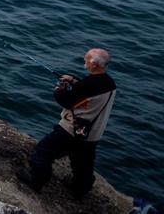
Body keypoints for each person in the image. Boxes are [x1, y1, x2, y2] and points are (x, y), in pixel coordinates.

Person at [19, 48, 116, 198]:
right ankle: (80, 189)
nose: (84, 63)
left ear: (95, 65)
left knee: (43, 151)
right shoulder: (109, 83)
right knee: (82, 164)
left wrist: (59, 89)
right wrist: (74, 80)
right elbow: (88, 93)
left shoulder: (88, 85)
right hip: (92, 134)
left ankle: (37, 181)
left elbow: (66, 101)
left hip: (71, 130)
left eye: (86, 61)